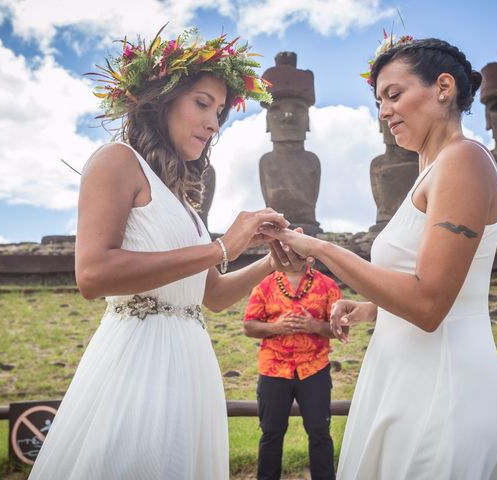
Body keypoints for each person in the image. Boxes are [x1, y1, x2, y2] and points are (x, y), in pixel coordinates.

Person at [29, 27, 302, 480]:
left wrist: (269, 262)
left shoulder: (184, 203)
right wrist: (219, 246)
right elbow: (93, 274)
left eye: (219, 112)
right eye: (202, 103)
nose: (214, 122)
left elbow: (210, 296)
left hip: (190, 363)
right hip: (138, 362)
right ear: (162, 99)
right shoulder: (115, 160)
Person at [262, 35, 497, 479]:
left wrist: (320, 249)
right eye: (379, 100)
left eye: (394, 95)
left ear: (442, 87)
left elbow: (430, 304)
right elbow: (428, 281)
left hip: (445, 387)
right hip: (403, 380)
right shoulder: (432, 171)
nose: (384, 111)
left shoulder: (464, 161)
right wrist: (368, 309)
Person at [243, 265, 342, 480]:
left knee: (319, 433)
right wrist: (275, 327)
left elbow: (343, 328)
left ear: (309, 253)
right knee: (271, 433)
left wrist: (315, 325)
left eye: (298, 246)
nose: (292, 251)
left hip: (314, 369)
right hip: (274, 370)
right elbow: (249, 326)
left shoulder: (328, 285)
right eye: (287, 246)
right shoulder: (264, 285)